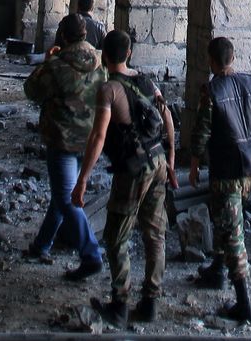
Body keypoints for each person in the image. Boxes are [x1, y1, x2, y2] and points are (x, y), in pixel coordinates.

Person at [71, 28, 178, 327]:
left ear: (103, 56)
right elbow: (167, 116)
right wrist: (171, 160)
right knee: (155, 232)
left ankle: (120, 304)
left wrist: (82, 180)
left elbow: (99, 135)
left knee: (116, 235)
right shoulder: (146, 81)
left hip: (133, 168)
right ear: (129, 53)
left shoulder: (109, 89)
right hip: (157, 161)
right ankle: (150, 302)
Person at [189, 36, 251, 324]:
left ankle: (245, 305)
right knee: (228, 221)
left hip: (228, 172)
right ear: (234, 57)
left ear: (211, 61)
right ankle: (216, 269)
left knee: (233, 233)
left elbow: (201, 133)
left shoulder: (211, 91)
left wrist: (193, 164)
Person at [23, 13, 106, 279]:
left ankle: (91, 254)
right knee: (64, 193)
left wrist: (47, 60)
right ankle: (41, 245)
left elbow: (31, 91)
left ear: (64, 36)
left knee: (66, 197)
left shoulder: (57, 65)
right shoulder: (101, 61)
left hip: (63, 138)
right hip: (91, 139)